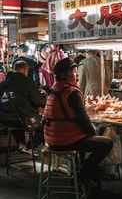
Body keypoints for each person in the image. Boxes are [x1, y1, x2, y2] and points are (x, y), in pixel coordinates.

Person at [43, 57, 113, 185]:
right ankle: (83, 173)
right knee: (106, 143)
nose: (77, 75)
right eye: (75, 71)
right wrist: (94, 133)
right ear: (66, 74)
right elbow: (84, 120)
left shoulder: (55, 89)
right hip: (65, 140)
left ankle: (88, 173)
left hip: (52, 138)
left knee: (98, 134)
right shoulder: (71, 92)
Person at [0, 61, 46, 149]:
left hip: (4, 118)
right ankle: (29, 147)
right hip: (22, 119)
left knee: (17, 118)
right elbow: (39, 101)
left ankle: (21, 144)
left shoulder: (2, 84)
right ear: (25, 70)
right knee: (45, 124)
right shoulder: (27, 82)